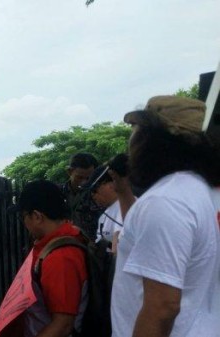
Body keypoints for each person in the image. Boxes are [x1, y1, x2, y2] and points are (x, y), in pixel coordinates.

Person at [112, 95, 220, 336]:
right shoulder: (201, 191)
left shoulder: (165, 200)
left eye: (136, 129)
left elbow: (163, 307)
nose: (131, 139)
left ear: (153, 139)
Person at [1, 180, 88, 337]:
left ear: (37, 216)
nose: (24, 223)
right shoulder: (59, 241)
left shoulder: (60, 258)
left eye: (23, 217)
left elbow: (63, 325)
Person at [60, 152, 101, 240]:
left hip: (92, 248)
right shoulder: (57, 194)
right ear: (69, 171)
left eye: (88, 178)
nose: (84, 182)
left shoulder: (99, 196)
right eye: (79, 177)